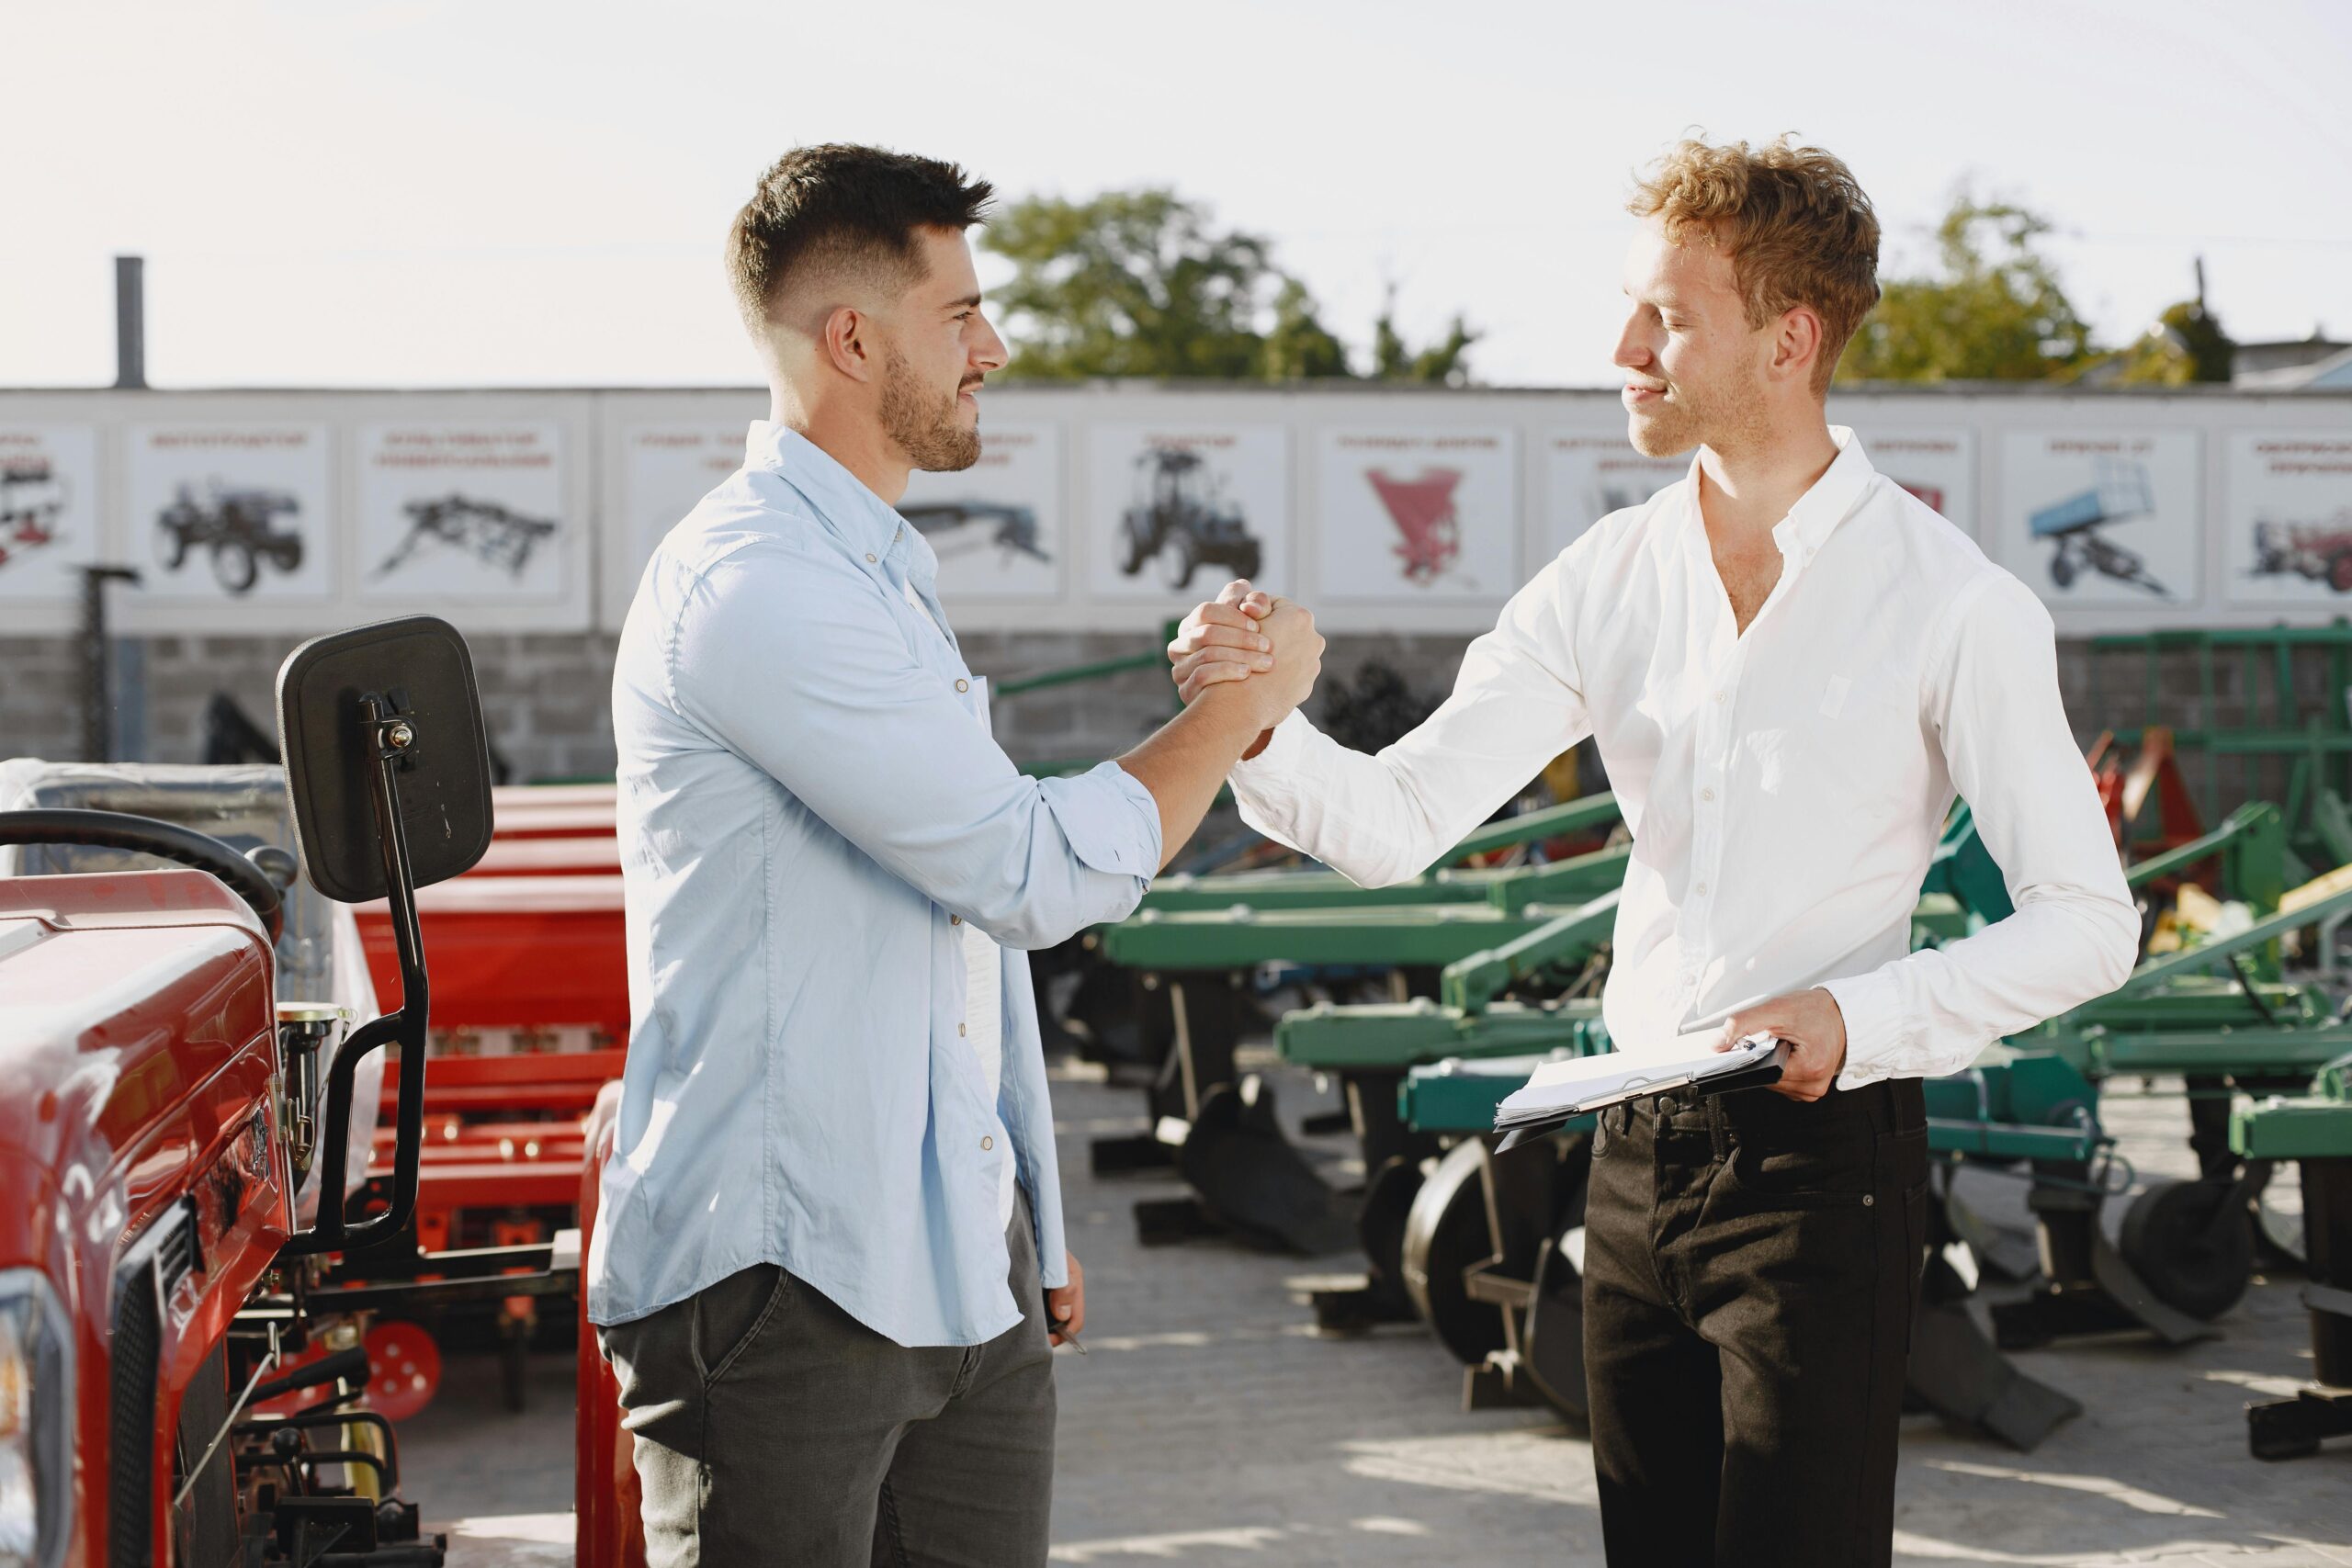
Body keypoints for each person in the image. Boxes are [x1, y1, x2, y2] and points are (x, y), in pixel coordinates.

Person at [1168, 136, 2138, 1568]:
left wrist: (1859, 1016)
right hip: (1629, 1157)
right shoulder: (1607, 577)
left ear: (1789, 341)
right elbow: (1397, 822)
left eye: (1668, 318)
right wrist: (1250, 718)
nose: (1623, 350)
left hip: (1825, 1172)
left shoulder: (1953, 604)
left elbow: (2088, 921)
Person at [586, 143, 1324, 1568]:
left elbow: (956, 941)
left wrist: (1024, 1211)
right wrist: (1239, 710)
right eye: (962, 314)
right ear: (853, 340)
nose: (995, 348)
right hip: (785, 1285)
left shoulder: (871, 576)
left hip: (955, 1277)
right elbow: (1024, 873)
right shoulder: (759, 586)